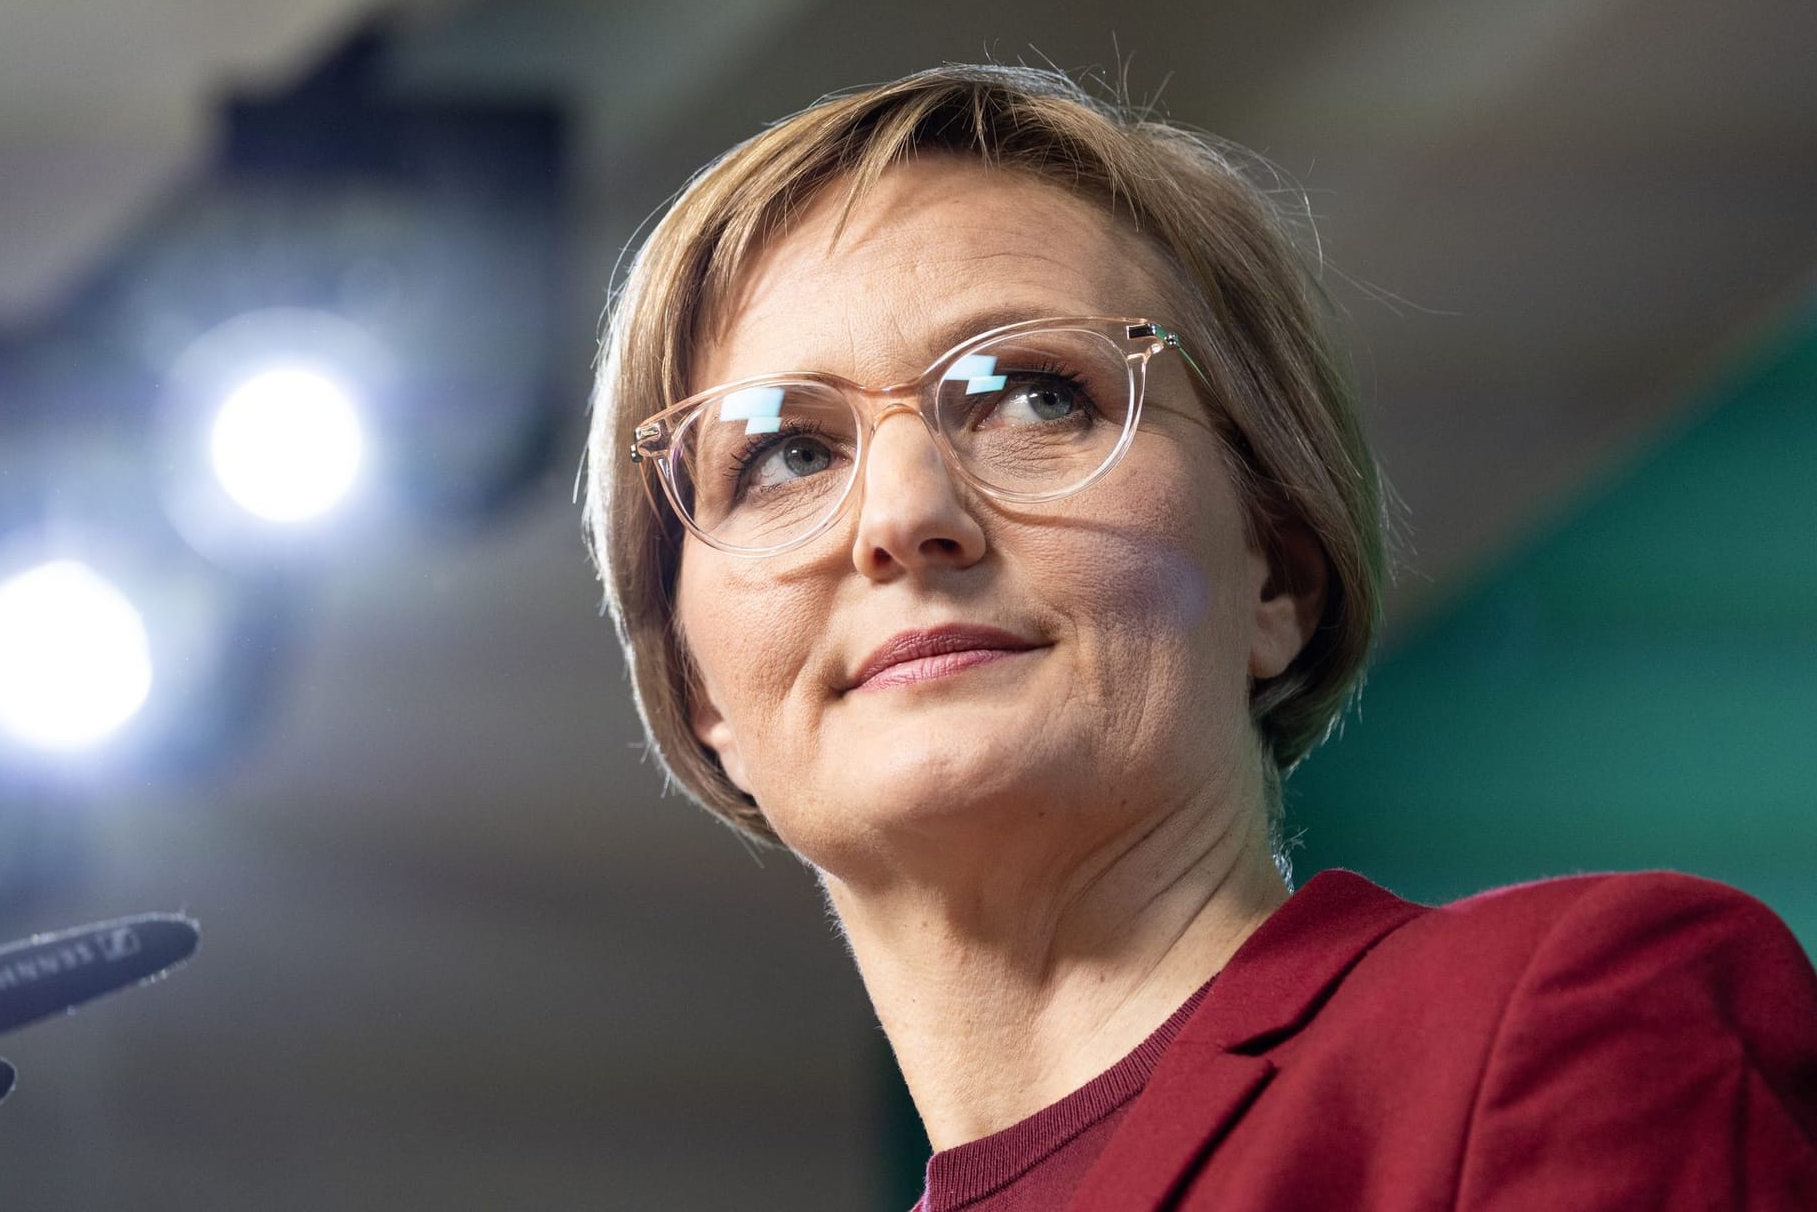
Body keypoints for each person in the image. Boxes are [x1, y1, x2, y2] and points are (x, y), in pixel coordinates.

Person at [582, 64, 1817, 1210]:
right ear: (702, 694)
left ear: (1275, 567)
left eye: (1034, 393)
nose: (905, 517)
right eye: (786, 454)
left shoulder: (1567, 1016)